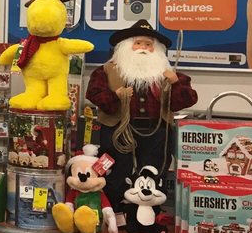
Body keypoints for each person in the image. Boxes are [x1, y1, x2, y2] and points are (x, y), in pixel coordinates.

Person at [85, 20, 198, 211]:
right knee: (118, 173)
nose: (143, 48)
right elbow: (94, 94)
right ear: (126, 47)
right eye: (138, 43)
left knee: (153, 173)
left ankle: (150, 215)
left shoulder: (168, 74)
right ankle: (116, 212)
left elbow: (187, 100)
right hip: (118, 132)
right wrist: (116, 95)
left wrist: (176, 83)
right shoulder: (106, 71)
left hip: (156, 133)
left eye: (148, 44)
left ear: (157, 49)